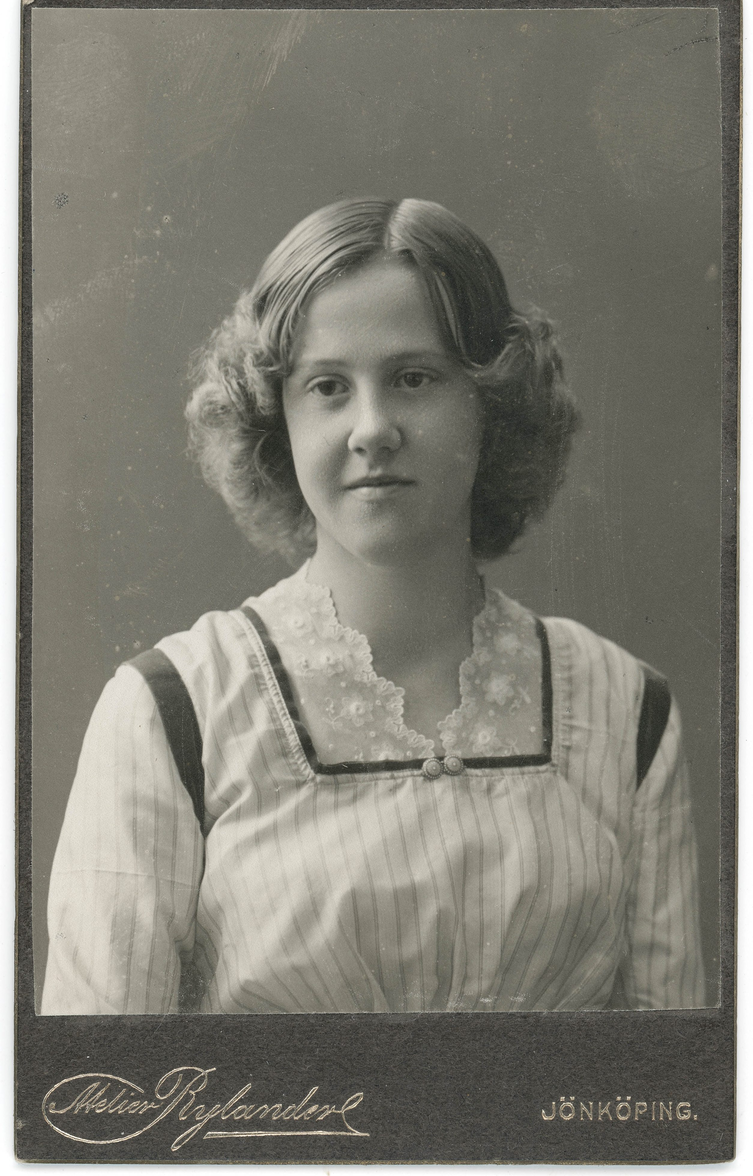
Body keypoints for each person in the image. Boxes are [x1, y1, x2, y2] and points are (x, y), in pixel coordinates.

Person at [41, 197, 705, 1014]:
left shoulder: (623, 708)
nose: (371, 428)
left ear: (491, 402)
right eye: (327, 386)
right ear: (276, 419)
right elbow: (101, 1086)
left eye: (413, 379)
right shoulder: (174, 711)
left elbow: (667, 1079)